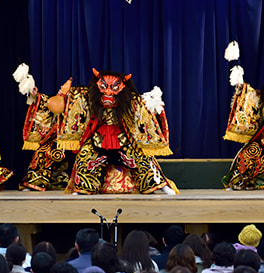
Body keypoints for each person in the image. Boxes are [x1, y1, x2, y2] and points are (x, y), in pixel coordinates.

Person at [20, 69, 177, 195]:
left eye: (113, 89)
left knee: (143, 159)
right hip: (96, 141)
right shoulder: (85, 97)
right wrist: (41, 96)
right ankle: (81, 189)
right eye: (104, 89)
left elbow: (146, 118)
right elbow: (60, 105)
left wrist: (154, 104)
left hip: (123, 142)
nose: (108, 93)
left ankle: (160, 186)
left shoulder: (132, 101)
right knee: (83, 157)